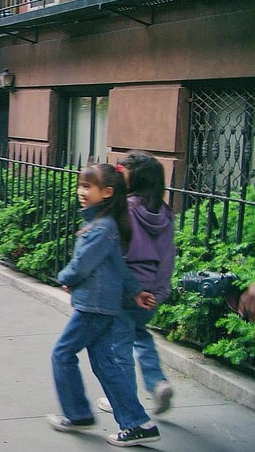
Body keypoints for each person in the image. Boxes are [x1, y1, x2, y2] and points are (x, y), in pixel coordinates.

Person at [48, 163, 161, 447]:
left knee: (62, 354)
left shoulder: (102, 228)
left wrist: (65, 278)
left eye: (88, 186)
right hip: (99, 304)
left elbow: (82, 264)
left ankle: (78, 414)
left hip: (94, 307)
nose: (81, 191)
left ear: (107, 192)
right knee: (105, 364)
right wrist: (136, 292)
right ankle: (138, 423)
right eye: (80, 185)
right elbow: (118, 266)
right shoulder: (104, 224)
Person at [95, 151, 175, 416]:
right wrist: (160, 291)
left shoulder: (125, 210)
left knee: (120, 345)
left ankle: (123, 398)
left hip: (126, 287)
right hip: (152, 290)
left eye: (122, 172)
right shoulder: (165, 213)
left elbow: (115, 250)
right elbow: (168, 256)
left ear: (135, 179)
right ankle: (157, 382)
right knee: (140, 334)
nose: (118, 176)